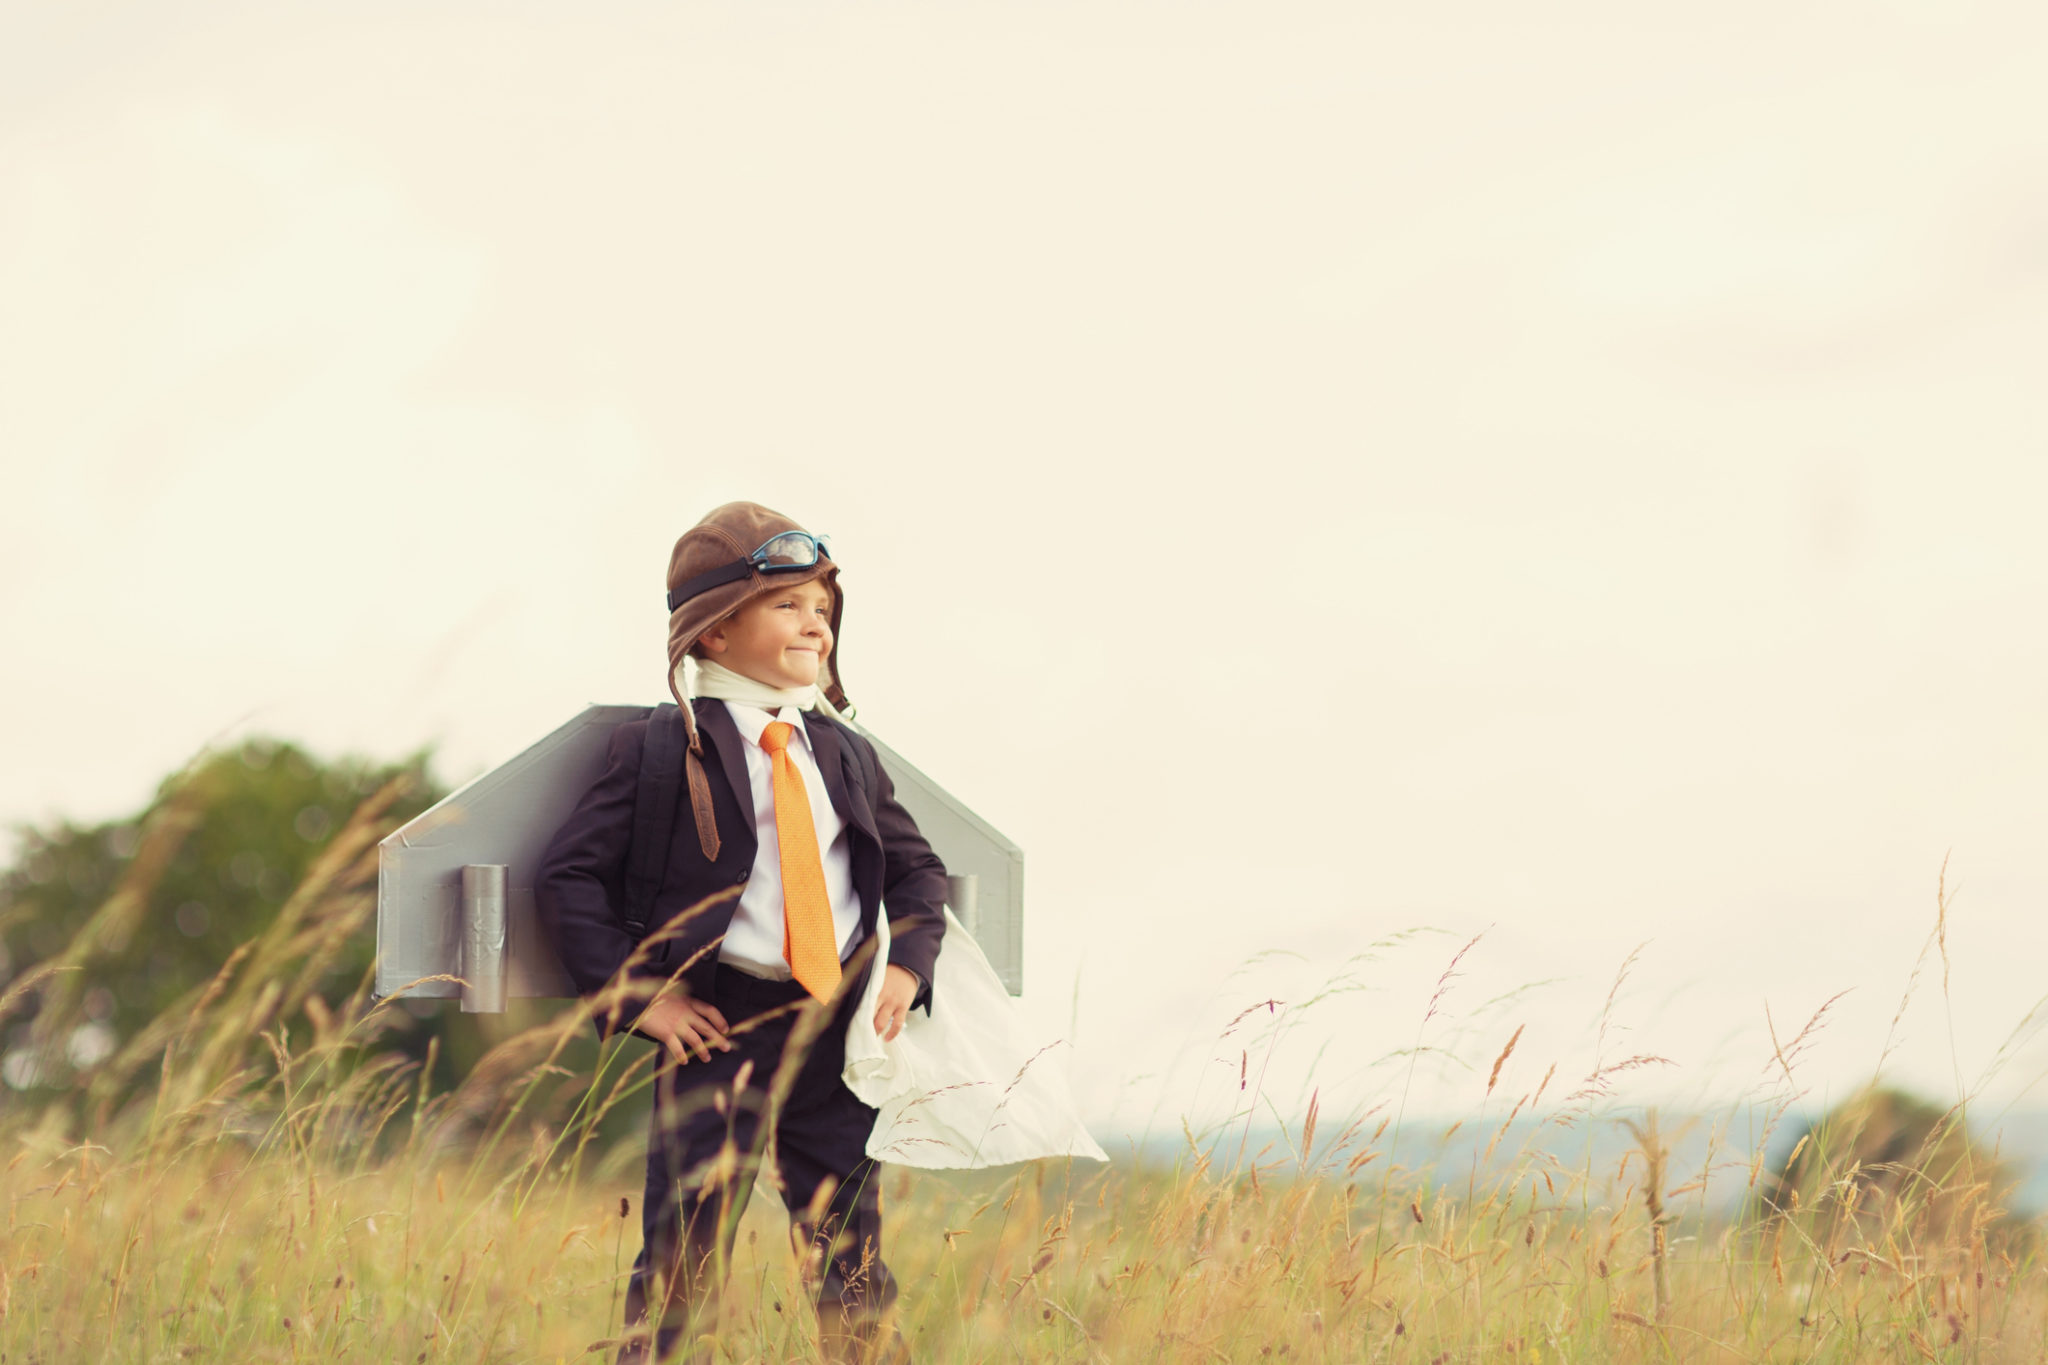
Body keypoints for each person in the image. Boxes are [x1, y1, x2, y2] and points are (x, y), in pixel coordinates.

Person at [535, 501, 946, 1363]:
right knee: (683, 1253)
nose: (815, 625)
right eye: (789, 605)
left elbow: (916, 872)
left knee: (851, 1256)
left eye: (824, 610)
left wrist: (906, 968)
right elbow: (567, 878)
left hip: (831, 1030)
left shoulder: (842, 753)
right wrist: (642, 1000)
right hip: (714, 1029)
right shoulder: (659, 747)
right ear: (715, 634)